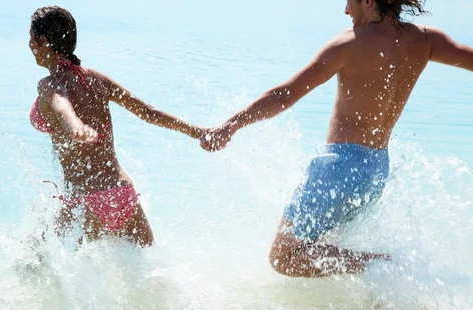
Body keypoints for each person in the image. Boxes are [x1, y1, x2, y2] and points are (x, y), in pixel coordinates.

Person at [201, 0, 473, 277]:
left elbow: (286, 94)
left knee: (284, 257)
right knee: (324, 248)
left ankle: (387, 266)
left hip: (339, 168)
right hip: (376, 170)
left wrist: (230, 125)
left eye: (349, 1)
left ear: (368, 1)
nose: (345, 10)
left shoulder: (349, 44)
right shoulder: (426, 40)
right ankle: (380, 281)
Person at [29, 6, 203, 247]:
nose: (30, 45)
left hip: (85, 199)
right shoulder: (97, 78)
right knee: (154, 271)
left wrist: (75, 125)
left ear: (43, 41)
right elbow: (148, 112)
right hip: (123, 194)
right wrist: (197, 131)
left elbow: (62, 104)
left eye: (31, 38)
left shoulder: (49, 83)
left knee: (38, 257)